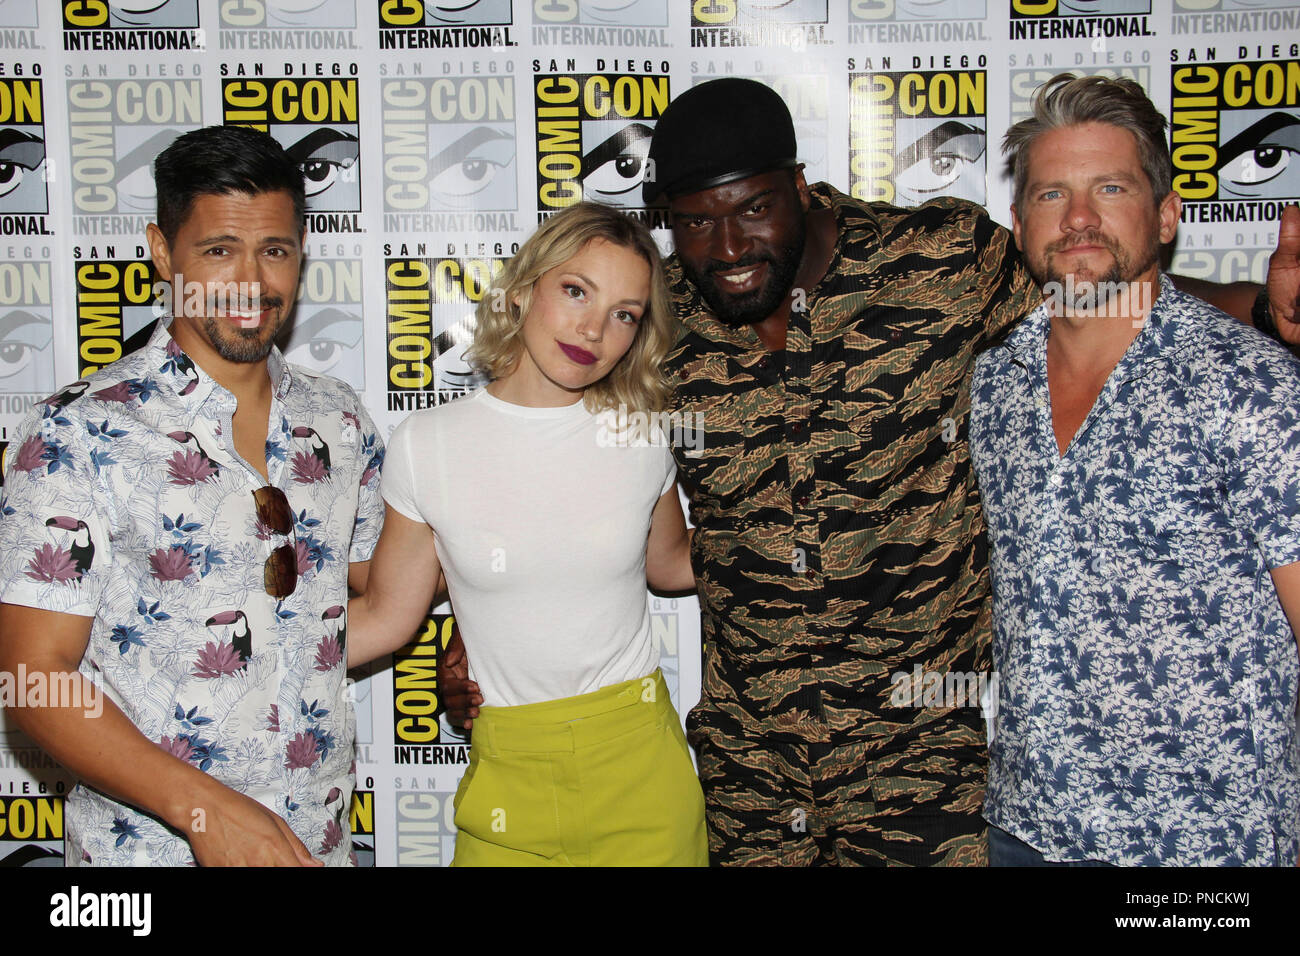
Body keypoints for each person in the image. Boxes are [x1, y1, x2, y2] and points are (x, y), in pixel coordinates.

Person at [0, 125, 384, 866]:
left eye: (274, 250)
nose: (251, 280)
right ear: (160, 250)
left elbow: (378, 600)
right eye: (218, 251)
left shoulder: (337, 419)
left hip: (318, 850)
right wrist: (204, 810)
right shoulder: (78, 432)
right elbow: (34, 677)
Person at [971, 74, 1300, 866]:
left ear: (1166, 212)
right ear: (1019, 226)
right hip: (1025, 830)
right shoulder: (989, 384)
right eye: (1052, 195)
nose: (1079, 219)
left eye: (1110, 187)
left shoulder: (1253, 387)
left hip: (1208, 849)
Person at [347, 202, 707, 866]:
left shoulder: (642, 433)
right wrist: (250, 655)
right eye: (576, 291)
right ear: (521, 290)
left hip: (641, 773)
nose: (594, 328)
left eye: (625, 313)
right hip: (505, 776)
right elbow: (389, 615)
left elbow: (669, 563)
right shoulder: (428, 443)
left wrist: (786, 535)